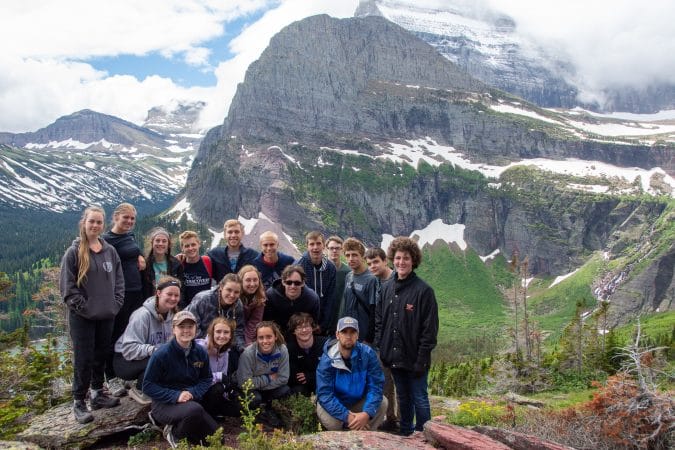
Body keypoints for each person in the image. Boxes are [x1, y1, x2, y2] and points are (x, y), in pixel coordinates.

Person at [60, 205, 123, 424]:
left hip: (106, 314)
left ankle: (97, 393)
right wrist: (85, 308)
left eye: (99, 222)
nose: (95, 225)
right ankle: (79, 401)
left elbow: (119, 281)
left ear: (103, 225)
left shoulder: (109, 251)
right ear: (84, 223)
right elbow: (68, 289)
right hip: (82, 318)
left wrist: (115, 304)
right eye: (91, 221)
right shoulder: (74, 252)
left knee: (101, 354)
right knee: (83, 358)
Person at [375, 237, 439, 436]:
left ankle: (425, 436)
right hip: (393, 357)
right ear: (393, 259)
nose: (401, 262)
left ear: (414, 261)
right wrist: (382, 348)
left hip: (415, 358)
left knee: (419, 398)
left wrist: (421, 359)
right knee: (403, 398)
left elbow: (429, 331)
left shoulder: (424, 291)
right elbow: (380, 322)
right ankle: (405, 435)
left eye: (406, 258)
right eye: (398, 258)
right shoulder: (385, 288)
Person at [143, 310, 218, 447]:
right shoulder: (161, 354)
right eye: (181, 327)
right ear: (173, 329)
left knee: (216, 439)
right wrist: (176, 395)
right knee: (195, 410)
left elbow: (206, 378)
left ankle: (182, 427)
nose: (186, 330)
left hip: (189, 402)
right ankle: (174, 434)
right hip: (164, 404)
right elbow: (148, 385)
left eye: (190, 327)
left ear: (196, 328)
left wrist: (192, 392)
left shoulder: (200, 352)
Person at [113, 276, 180, 405]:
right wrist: (155, 350)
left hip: (148, 357)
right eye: (169, 294)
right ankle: (139, 390)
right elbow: (128, 349)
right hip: (124, 360)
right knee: (160, 360)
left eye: (176, 295)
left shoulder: (174, 316)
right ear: (159, 293)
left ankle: (145, 383)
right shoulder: (143, 315)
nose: (173, 298)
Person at [102, 202, 145, 397]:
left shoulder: (129, 236)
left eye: (132, 218)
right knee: (113, 334)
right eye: (125, 217)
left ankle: (126, 372)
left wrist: (141, 257)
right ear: (116, 217)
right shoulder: (106, 240)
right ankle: (110, 377)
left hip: (136, 291)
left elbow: (133, 251)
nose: (129, 221)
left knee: (131, 333)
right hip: (119, 293)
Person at [315, 316, 387, 431]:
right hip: (334, 402)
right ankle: (353, 429)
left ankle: (364, 431)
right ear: (337, 335)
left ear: (357, 335)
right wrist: (347, 416)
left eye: (352, 332)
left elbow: (376, 386)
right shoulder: (327, 358)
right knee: (334, 424)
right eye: (344, 332)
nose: (348, 336)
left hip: (356, 400)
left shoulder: (368, 354)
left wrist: (366, 413)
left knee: (383, 403)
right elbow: (325, 394)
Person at [365, 247, 399, 432]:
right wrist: (378, 343)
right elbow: (378, 318)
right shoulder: (376, 282)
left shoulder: (398, 281)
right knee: (386, 383)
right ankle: (391, 419)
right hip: (383, 344)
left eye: (376, 262)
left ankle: (403, 421)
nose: (372, 266)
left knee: (400, 383)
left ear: (385, 261)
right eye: (369, 264)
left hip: (398, 344)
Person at [236, 321, 291, 409]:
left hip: (267, 387)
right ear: (256, 339)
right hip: (252, 390)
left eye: (269, 337)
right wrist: (268, 378)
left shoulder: (282, 349)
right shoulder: (247, 354)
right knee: (255, 398)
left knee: (285, 390)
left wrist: (258, 384)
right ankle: (256, 414)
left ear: (275, 336)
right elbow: (244, 383)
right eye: (261, 338)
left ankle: (269, 409)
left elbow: (284, 378)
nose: (265, 341)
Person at [187, 274, 246, 352]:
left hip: (223, 344)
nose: (232, 295)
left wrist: (242, 349)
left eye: (236, 292)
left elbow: (238, 330)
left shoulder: (238, 304)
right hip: (198, 344)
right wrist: (208, 344)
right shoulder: (203, 299)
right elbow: (191, 326)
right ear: (221, 287)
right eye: (229, 290)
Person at [196, 318, 241, 418]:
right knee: (218, 388)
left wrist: (228, 392)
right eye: (218, 332)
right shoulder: (200, 348)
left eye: (226, 332)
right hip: (197, 393)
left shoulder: (225, 352)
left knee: (238, 409)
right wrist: (219, 376)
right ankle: (207, 415)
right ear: (212, 333)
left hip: (213, 392)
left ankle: (215, 410)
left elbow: (224, 379)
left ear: (230, 336)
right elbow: (196, 377)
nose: (222, 336)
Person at [295, 231, 336, 335]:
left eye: (318, 243)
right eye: (312, 244)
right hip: (302, 323)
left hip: (322, 323)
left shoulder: (330, 268)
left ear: (323, 246)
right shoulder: (299, 266)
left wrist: (323, 325)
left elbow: (330, 299)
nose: (315, 247)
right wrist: (304, 324)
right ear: (307, 246)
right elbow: (295, 298)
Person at [263, 265, 320, 336]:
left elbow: (314, 325)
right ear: (283, 282)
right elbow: (266, 323)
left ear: (302, 283)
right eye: (289, 282)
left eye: (297, 283)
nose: (293, 286)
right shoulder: (270, 296)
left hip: (301, 335)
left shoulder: (312, 298)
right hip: (276, 335)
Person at [341, 238, 379, 344]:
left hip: (364, 335)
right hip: (349, 332)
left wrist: (368, 338)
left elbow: (374, 312)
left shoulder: (371, 279)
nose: (351, 259)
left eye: (354, 255)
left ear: (362, 256)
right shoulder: (348, 276)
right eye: (347, 255)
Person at [286, 313, 327, 396]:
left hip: (323, 383)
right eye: (299, 327)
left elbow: (328, 371)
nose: (304, 330)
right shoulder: (289, 349)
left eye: (307, 326)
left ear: (312, 328)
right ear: (294, 331)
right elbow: (294, 377)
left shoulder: (325, 344)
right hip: (302, 387)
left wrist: (310, 376)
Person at [141, 227, 184, 300]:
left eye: (164, 241)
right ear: (152, 243)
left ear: (168, 244)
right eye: (157, 240)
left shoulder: (176, 265)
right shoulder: (144, 264)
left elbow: (181, 289)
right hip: (149, 305)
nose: (160, 243)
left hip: (170, 304)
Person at [178, 230, 213, 308]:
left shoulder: (207, 262)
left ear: (199, 244)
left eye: (193, 244)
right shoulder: (179, 265)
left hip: (207, 309)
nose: (190, 248)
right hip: (186, 310)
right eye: (187, 246)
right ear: (182, 248)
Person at [326, 236, 350, 335]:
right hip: (324, 317)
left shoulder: (348, 272)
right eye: (331, 248)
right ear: (326, 249)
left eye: (337, 248)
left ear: (342, 250)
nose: (334, 251)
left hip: (341, 316)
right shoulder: (320, 270)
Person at [237, 265, 266, 345]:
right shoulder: (234, 295)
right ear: (241, 281)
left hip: (248, 334)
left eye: (255, 280)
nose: (252, 284)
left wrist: (247, 344)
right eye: (248, 280)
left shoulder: (260, 298)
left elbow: (254, 323)